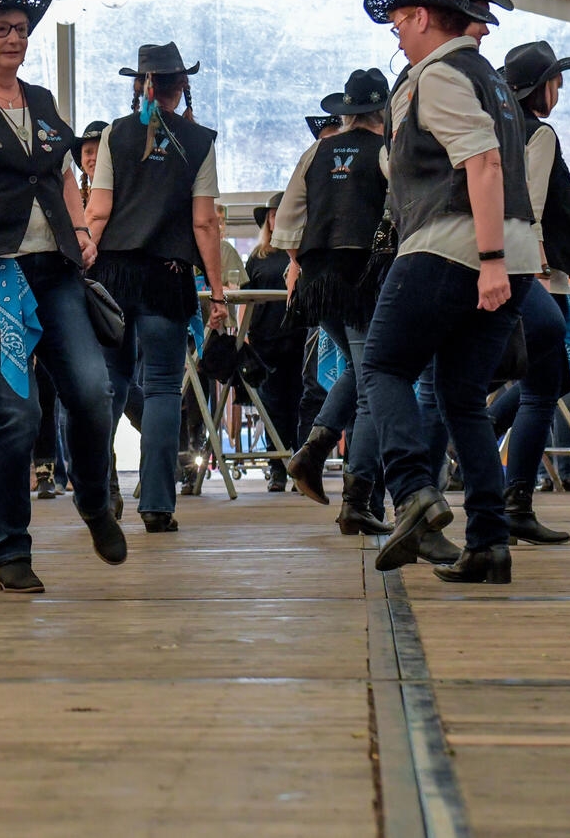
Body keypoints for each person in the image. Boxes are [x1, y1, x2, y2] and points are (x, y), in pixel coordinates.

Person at [0, 0, 126, 593]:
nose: (14, 38)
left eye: (20, 29)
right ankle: (11, 547)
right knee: (16, 413)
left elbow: (64, 174)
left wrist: (81, 227)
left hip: (54, 272)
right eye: (0, 29)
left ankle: (94, 501)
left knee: (93, 394)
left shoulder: (42, 101)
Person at [360, 0, 539, 583]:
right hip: (515, 253)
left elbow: (482, 164)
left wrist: (487, 260)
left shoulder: (436, 76)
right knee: (463, 397)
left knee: (383, 366)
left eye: (398, 23)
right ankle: (488, 542)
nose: (396, 36)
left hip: (453, 247)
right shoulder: (490, 80)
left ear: (418, 18)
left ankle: (413, 492)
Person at [84, 42, 228, 532]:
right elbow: (205, 223)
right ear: (181, 85)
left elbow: (98, 212)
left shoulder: (112, 136)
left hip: (114, 275)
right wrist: (218, 292)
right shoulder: (200, 139)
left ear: (137, 86)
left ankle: (101, 494)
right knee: (165, 389)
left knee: (110, 385)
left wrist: (84, 266)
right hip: (168, 278)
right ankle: (158, 506)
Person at [276, 70, 393, 535]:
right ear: (381, 110)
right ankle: (356, 500)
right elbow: (398, 211)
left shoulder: (316, 151)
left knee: (355, 368)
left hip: (316, 283)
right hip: (363, 277)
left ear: (345, 112)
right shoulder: (385, 152)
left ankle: (312, 450)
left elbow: (287, 220)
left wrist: (299, 262)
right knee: (373, 386)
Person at [495, 41, 570, 545]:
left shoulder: (500, 129)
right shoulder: (539, 135)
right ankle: (515, 500)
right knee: (547, 384)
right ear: (539, 88)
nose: (561, 87)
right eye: (555, 80)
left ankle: (487, 438)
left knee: (546, 380)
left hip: (509, 264)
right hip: (538, 272)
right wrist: (541, 266)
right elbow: (534, 205)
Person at [242, 193, 304, 492]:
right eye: (273, 214)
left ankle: (299, 464)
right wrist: (244, 333)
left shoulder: (301, 253)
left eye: (282, 212)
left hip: (296, 334)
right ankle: (276, 467)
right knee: (270, 404)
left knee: (298, 400)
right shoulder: (258, 256)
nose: (276, 218)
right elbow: (245, 296)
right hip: (264, 336)